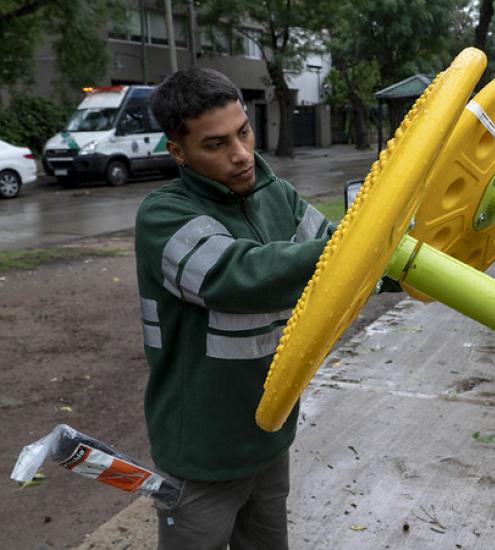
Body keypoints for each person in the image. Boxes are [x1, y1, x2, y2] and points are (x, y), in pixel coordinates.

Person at [134, 67, 335, 549]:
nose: (242, 154)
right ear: (177, 152)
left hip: (268, 437)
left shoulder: (277, 196)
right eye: (216, 144)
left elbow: (342, 263)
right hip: (201, 456)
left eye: (243, 132)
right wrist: (358, 247)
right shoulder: (163, 216)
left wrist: (408, 258)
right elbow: (239, 275)